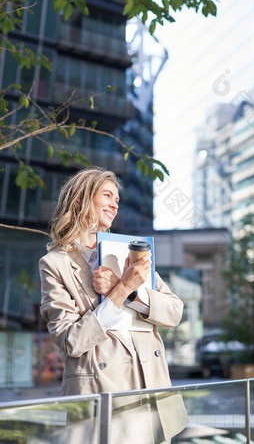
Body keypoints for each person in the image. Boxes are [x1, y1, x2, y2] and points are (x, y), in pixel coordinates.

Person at [39, 167, 188, 443]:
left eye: (117, 200)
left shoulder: (129, 251)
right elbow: (71, 341)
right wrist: (123, 289)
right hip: (104, 392)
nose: (114, 204)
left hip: (152, 388)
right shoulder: (56, 263)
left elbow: (175, 311)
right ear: (81, 200)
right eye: (107, 195)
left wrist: (132, 294)